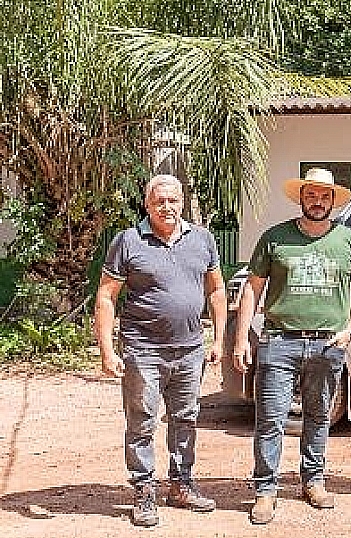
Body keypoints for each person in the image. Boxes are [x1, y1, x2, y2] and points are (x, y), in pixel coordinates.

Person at [232, 167, 351, 525]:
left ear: (333, 201)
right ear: (301, 198)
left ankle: (313, 481)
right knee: (270, 419)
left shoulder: (350, 241)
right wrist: (241, 338)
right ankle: (265, 491)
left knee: (319, 416)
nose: (318, 202)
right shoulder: (275, 238)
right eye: (311, 195)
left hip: (327, 345)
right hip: (279, 342)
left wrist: (349, 331)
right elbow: (252, 288)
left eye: (324, 196)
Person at [94, 174, 226, 527]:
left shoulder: (203, 239)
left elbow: (216, 290)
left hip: (191, 349)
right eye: (159, 201)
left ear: (182, 201)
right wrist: (107, 350)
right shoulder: (128, 241)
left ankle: (181, 485)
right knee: (142, 420)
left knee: (186, 417)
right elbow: (106, 296)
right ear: (147, 205)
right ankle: (144, 491)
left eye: (173, 200)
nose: (167, 207)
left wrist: (219, 339)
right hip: (144, 349)